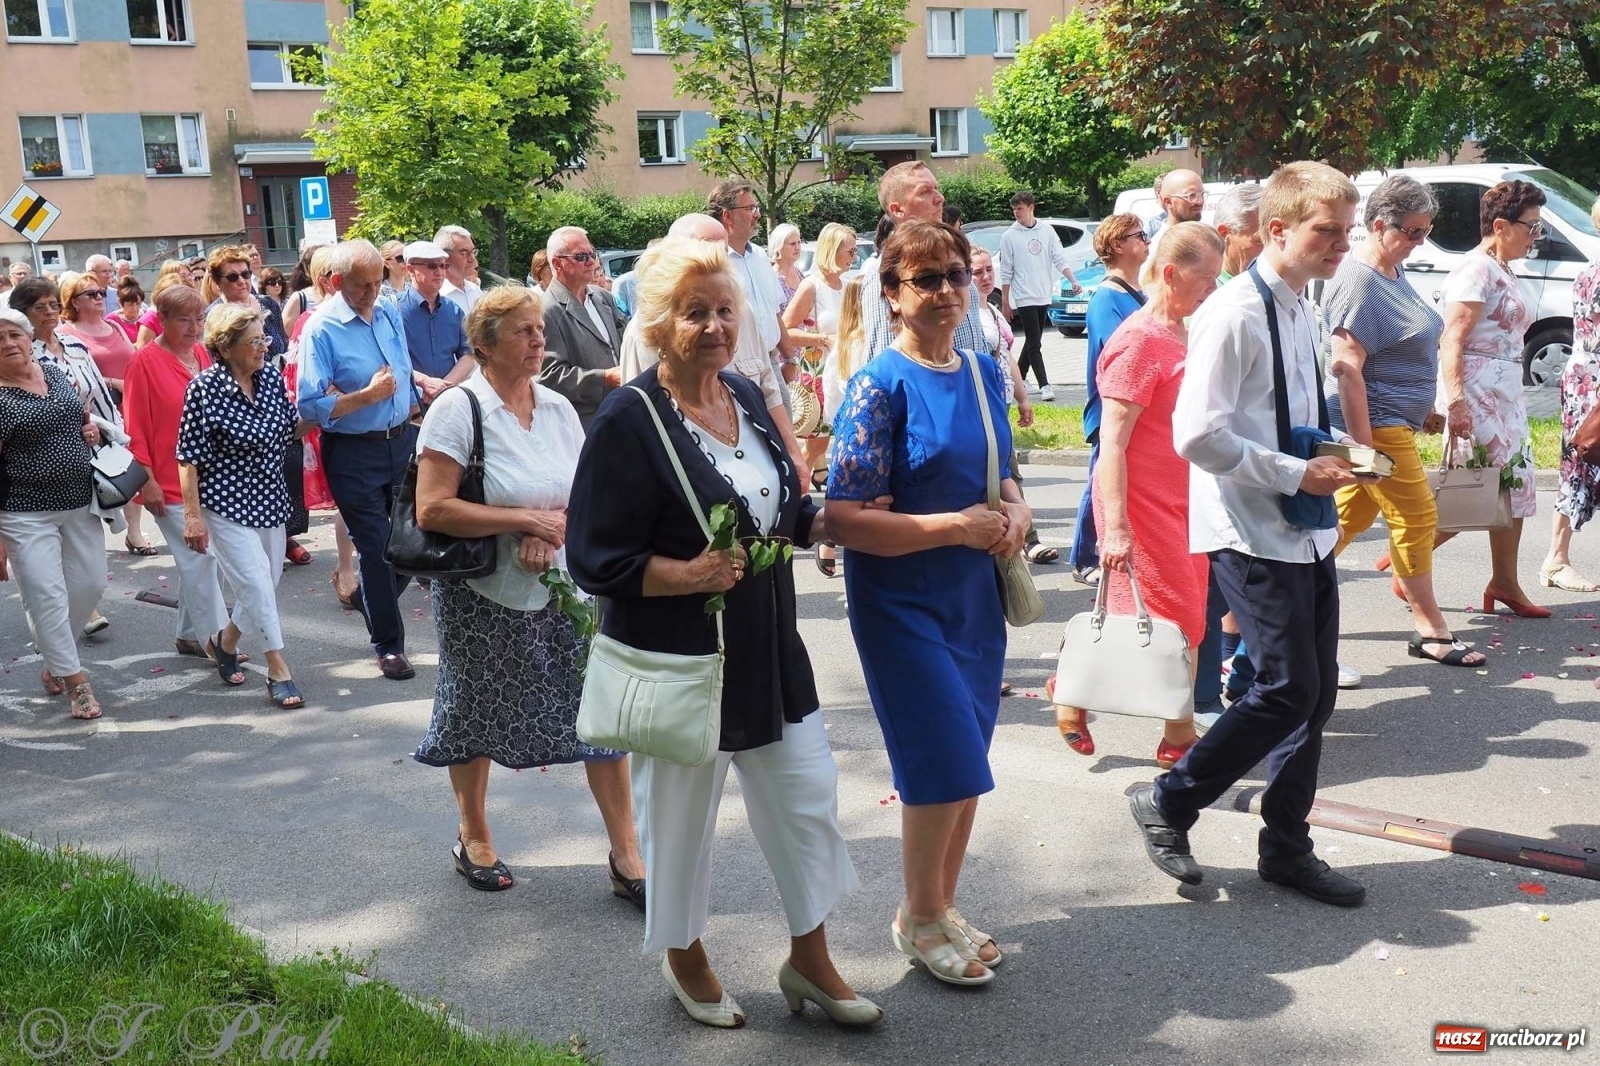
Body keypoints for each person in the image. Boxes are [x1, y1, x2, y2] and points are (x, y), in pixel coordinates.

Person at [568, 236, 880, 1030]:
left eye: (724, 310)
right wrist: (685, 574)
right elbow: (593, 558)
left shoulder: (740, 392)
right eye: (694, 312)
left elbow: (781, 508)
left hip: (770, 648)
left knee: (807, 799)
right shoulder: (627, 420)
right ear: (658, 322)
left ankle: (809, 957)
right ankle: (684, 954)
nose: (713, 326)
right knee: (679, 817)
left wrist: (849, 520)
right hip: (683, 660)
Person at [1134, 161, 1368, 907]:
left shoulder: (1302, 303)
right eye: (1326, 231)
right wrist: (1296, 474)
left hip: (1303, 527)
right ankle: (1169, 800)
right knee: (1286, 687)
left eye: (1345, 230)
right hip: (1248, 526)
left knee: (1317, 693)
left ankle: (1285, 848)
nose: (1341, 245)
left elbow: (1289, 417)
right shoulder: (1234, 313)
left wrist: (1346, 459)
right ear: (1277, 229)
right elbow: (1197, 436)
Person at [828, 220, 1030, 988]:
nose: (947, 291)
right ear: (892, 294)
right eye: (926, 280)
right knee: (941, 760)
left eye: (954, 275)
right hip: (901, 599)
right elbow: (842, 518)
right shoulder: (877, 384)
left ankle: (940, 906)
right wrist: (954, 525)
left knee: (967, 763)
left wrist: (1015, 513)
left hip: (973, 596)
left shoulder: (980, 371)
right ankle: (916, 919)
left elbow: (1004, 472)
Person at [412, 285, 646, 901]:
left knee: (598, 711)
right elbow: (433, 508)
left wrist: (555, 527)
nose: (539, 340)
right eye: (523, 331)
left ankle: (626, 853)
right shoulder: (459, 409)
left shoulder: (559, 408)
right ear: (485, 344)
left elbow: (585, 493)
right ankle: (474, 834)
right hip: (481, 592)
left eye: (540, 329)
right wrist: (521, 523)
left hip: (561, 587)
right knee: (473, 708)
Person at [1049, 222, 1222, 764]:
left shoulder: (1182, 330)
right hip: (1142, 507)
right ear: (1171, 275)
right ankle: (1178, 734)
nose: (1213, 290)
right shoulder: (1139, 340)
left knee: (1170, 618)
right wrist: (1116, 526)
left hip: (1183, 502)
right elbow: (1112, 444)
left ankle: (1070, 691)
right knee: (1174, 620)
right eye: (1207, 278)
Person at [1324, 176, 1485, 669]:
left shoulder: (1390, 271)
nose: (1421, 242)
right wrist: (1364, 448)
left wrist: (1426, 410)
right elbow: (1347, 368)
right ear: (1378, 225)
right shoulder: (1359, 279)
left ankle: (1252, 609)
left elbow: (1399, 348)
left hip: (1392, 420)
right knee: (1418, 519)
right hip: (1374, 427)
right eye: (1413, 232)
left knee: (1337, 526)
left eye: (1426, 230)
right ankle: (1430, 629)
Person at [1424, 180, 1550, 618]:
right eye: (1531, 227)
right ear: (1500, 225)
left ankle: (1504, 582)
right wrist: (1455, 402)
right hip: (1477, 392)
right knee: (1473, 489)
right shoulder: (1475, 269)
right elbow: (1452, 340)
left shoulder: (1503, 267)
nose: (1536, 237)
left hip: (1506, 391)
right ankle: (1409, 559)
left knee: (1514, 486)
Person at [297, 240, 422, 680]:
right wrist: (365, 397)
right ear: (335, 282)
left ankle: (370, 597)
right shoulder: (322, 328)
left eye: (377, 282)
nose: (372, 291)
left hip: (399, 439)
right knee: (376, 546)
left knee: (408, 543)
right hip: (353, 450)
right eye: (361, 285)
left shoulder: (387, 310)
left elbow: (402, 368)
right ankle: (390, 646)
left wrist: (417, 396)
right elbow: (310, 406)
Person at [178, 305, 306, 707]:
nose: (263, 347)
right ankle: (278, 668)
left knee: (265, 586)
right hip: (224, 504)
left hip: (270, 497)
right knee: (254, 585)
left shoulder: (268, 377)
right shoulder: (203, 389)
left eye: (264, 338)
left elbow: (290, 427)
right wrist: (194, 517)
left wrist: (335, 409)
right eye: (254, 341)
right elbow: (188, 458)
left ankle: (224, 641)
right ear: (225, 347)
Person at [621, 214, 808, 475]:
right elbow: (640, 421)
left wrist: (792, 453)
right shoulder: (647, 330)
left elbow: (768, 385)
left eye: (724, 253)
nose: (720, 264)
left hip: (757, 467)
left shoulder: (742, 312)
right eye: (709, 252)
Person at [0, 308, 106, 720]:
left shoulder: (52, 370)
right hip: (24, 512)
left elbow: (77, 413)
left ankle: (55, 657)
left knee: (91, 585)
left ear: (29, 338)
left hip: (80, 500)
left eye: (14, 335)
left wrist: (89, 428)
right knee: (47, 594)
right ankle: (75, 681)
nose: (9, 344)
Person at [122, 285, 235, 661]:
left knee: (208, 560)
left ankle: (189, 633)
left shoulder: (202, 354)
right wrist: (147, 480)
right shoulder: (144, 362)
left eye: (199, 319)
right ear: (163, 320)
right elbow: (134, 427)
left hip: (208, 479)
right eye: (184, 319)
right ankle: (218, 641)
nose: (193, 327)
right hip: (167, 481)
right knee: (201, 559)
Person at [12, 277, 138, 599]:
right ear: (23, 313)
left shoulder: (75, 346)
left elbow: (98, 396)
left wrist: (113, 435)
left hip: (89, 451)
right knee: (47, 564)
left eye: (54, 305)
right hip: (40, 468)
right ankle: (61, 618)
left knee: (85, 558)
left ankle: (72, 608)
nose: (50, 312)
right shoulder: (22, 355)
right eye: (40, 308)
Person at [1070, 213, 1149, 587]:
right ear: (1119, 245)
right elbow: (1115, 354)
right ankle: (1084, 556)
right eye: (1139, 235)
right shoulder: (1106, 297)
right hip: (1111, 408)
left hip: (1139, 406)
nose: (1146, 240)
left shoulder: (1136, 292)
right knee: (1101, 479)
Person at [971, 247, 1052, 573]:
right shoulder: (967, 315)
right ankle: (1025, 539)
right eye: (978, 272)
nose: (986, 276)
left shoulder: (991, 310)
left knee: (1006, 472)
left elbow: (1007, 357)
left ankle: (1019, 537)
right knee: (1007, 472)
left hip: (1000, 402)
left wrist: (1023, 397)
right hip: (982, 405)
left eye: (989, 269)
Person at [859, 163, 989, 358]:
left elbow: (978, 342)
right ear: (897, 209)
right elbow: (885, 364)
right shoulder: (884, 275)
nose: (939, 198)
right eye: (925, 191)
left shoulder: (953, 258)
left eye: (936, 188)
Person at [1544, 196, 1600, 589]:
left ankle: (1557, 558)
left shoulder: (1589, 269)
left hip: (1584, 376)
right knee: (1582, 462)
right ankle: (1555, 558)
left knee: (1581, 463)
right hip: (1593, 383)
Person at [537, 227, 627, 429]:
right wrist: (605, 378)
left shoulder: (602, 296)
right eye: (580, 256)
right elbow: (548, 377)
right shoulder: (547, 310)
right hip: (585, 422)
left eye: (592, 254)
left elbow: (625, 339)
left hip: (623, 409)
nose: (590, 261)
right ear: (557, 264)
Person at [999, 190, 1081, 402]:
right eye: (1014, 209)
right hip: (1024, 294)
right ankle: (1045, 384)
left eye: (1020, 208)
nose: (1016, 212)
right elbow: (1006, 270)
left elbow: (1058, 257)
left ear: (1031, 208)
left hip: (1042, 292)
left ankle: (1021, 376)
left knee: (1033, 340)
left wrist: (1073, 280)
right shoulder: (1010, 236)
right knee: (1035, 342)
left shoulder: (1047, 231)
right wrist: (1006, 301)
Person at [396, 240, 473, 404]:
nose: (439, 272)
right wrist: (424, 381)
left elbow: (468, 354)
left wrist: (444, 386)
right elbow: (391, 360)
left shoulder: (453, 310)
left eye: (442, 265)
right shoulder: (395, 311)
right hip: (412, 407)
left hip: (448, 400)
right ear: (410, 270)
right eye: (431, 266)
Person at [134, 261, 197, 346]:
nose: (189, 279)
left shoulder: (194, 312)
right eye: (183, 276)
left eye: (189, 274)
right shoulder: (150, 320)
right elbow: (144, 355)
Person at [1214, 184, 1265, 282]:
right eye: (1260, 241)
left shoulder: (1291, 286)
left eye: (1275, 239)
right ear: (1223, 233)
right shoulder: (1206, 292)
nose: (1271, 249)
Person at [434, 225, 482, 315]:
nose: (472, 259)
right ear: (444, 257)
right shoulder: (436, 296)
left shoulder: (475, 291)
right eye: (464, 253)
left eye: (473, 252)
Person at [108, 276, 146, 344]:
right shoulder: (111, 320)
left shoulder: (147, 316)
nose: (135, 308)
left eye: (138, 303)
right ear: (120, 302)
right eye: (130, 304)